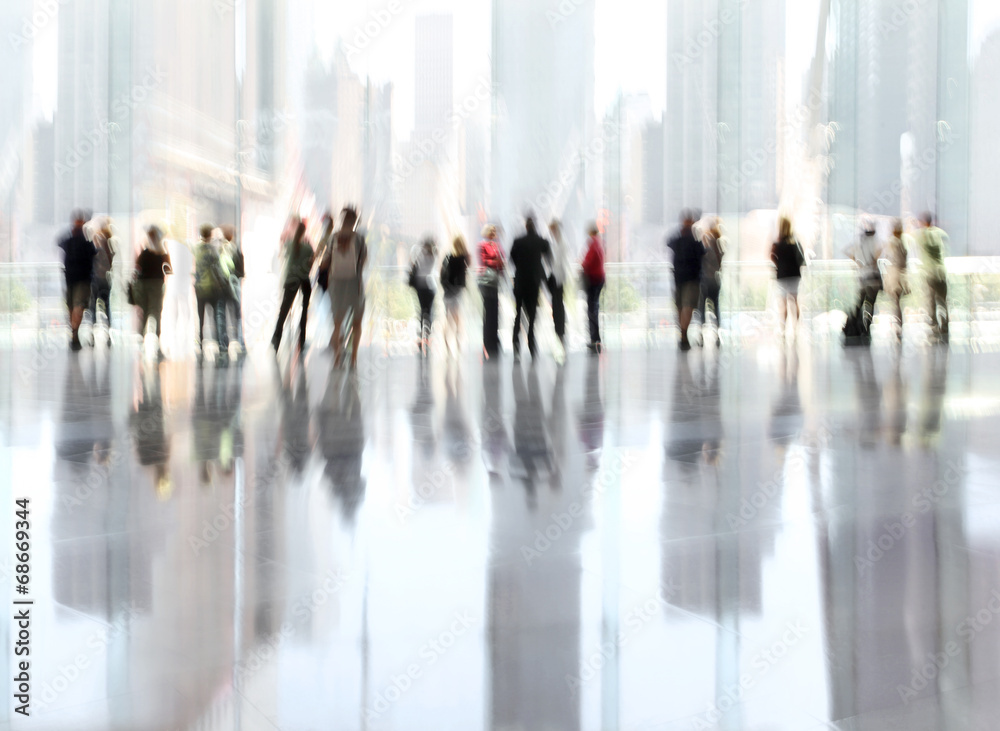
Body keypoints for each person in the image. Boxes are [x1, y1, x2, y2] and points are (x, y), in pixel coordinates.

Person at [322, 207, 367, 369]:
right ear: (355, 221)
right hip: (354, 283)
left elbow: (325, 262)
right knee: (357, 323)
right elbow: (363, 262)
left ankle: (337, 358)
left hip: (336, 283)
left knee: (337, 324)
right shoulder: (359, 239)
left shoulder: (333, 238)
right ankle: (353, 359)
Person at [509, 216, 552, 359]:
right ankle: (531, 343)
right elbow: (549, 258)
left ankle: (516, 343)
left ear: (526, 227)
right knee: (532, 314)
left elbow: (512, 259)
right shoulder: (541, 242)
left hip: (520, 281)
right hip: (534, 283)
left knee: (518, 313)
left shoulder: (518, 242)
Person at [271, 219, 314, 354]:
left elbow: (282, 255)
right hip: (304, 280)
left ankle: (276, 339)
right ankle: (301, 340)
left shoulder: (289, 244)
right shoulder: (308, 248)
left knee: (284, 310)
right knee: (304, 310)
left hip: (290, 280)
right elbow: (311, 263)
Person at [58, 210, 96, 351]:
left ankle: (74, 333)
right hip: (82, 278)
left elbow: (60, 242)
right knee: (77, 305)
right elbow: (93, 254)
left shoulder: (71, 239)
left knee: (73, 306)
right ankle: (74, 332)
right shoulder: (86, 240)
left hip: (72, 277)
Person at [667, 210, 704, 351]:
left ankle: (682, 334)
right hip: (692, 277)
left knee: (681, 306)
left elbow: (669, 242)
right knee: (688, 305)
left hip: (679, 277)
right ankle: (683, 335)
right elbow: (702, 252)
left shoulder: (678, 239)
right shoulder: (694, 239)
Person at [133, 225, 172, 356]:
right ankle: (156, 335)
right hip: (156, 283)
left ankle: (143, 335)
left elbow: (137, 268)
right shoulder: (162, 251)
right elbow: (169, 269)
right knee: (156, 311)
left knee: (144, 310)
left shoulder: (145, 251)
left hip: (144, 283)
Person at [194, 223, 231, 361]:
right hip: (212, 289)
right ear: (210, 235)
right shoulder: (212, 250)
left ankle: (201, 343)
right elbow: (217, 269)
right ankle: (220, 343)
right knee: (216, 317)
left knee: (201, 318)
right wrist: (221, 283)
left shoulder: (196, 249)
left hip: (199, 288)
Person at [844, 219, 883, 342]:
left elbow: (846, 250)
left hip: (862, 278)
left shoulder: (859, 243)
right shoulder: (876, 242)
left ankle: (854, 326)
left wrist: (857, 262)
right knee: (870, 305)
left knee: (859, 304)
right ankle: (867, 328)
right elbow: (878, 256)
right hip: (873, 278)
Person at [915, 212, 949, 342]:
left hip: (928, 272)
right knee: (943, 301)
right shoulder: (940, 233)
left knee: (930, 301)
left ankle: (934, 326)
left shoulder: (921, 235)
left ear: (923, 222)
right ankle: (945, 325)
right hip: (940, 271)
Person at [771, 216, 806, 336]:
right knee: (795, 302)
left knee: (783, 304)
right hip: (794, 275)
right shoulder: (795, 242)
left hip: (782, 275)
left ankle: (783, 329)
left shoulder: (778, 243)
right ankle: (796, 329)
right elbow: (801, 259)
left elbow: (772, 256)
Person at [477, 224, 506, 358]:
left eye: (495, 230)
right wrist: (497, 262)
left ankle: (494, 340)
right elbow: (484, 261)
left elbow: (502, 260)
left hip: (495, 281)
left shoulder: (497, 245)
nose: (494, 232)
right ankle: (487, 342)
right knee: (488, 311)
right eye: (492, 230)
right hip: (487, 282)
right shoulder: (482, 245)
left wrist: (499, 263)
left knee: (495, 311)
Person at [440, 235, 470, 355]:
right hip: (457, 291)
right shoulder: (463, 258)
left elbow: (442, 275)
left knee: (448, 319)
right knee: (457, 319)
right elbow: (468, 266)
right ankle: (458, 346)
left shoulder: (448, 257)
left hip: (447, 292)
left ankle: (446, 345)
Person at [881, 218, 910, 338]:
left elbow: (889, 257)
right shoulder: (903, 242)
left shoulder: (891, 242)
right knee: (898, 303)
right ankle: (899, 325)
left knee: (895, 302)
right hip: (902, 274)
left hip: (894, 274)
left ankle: (897, 326)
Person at [409, 237, 438, 356]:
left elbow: (413, 261)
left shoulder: (421, 256)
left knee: (422, 312)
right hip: (430, 286)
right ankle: (427, 337)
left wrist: (419, 247)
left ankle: (422, 337)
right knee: (428, 313)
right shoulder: (433, 256)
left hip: (422, 287)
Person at [219, 225, 245, 354]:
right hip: (234, 287)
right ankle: (238, 340)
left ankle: (224, 341)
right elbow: (241, 272)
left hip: (222, 287)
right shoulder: (236, 250)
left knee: (222, 314)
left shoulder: (219, 250)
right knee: (236, 314)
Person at [581, 223, 605, 353]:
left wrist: (582, 263)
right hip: (600, 278)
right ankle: (596, 337)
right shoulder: (599, 243)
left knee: (591, 309)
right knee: (594, 307)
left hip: (594, 280)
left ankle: (594, 338)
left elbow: (587, 261)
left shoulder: (593, 243)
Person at [90, 218, 115, 344]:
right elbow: (112, 258)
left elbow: (92, 255)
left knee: (93, 305)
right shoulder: (108, 240)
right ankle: (108, 331)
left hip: (95, 278)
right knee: (106, 306)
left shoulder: (96, 238)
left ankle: (93, 333)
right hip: (106, 277)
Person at [700, 218, 725, 342]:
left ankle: (701, 332)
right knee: (715, 306)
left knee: (702, 306)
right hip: (715, 278)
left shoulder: (706, 239)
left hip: (705, 278)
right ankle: (717, 331)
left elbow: (702, 257)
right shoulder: (718, 242)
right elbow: (720, 261)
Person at [547, 219, 569, 347]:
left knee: (558, 305)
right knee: (556, 304)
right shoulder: (556, 242)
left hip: (559, 278)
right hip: (556, 277)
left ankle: (560, 330)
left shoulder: (561, 243)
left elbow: (559, 262)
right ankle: (558, 329)